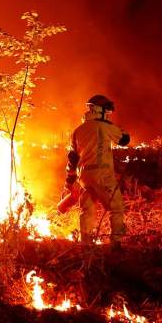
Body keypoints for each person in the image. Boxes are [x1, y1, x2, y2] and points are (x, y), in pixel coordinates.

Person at [64, 94, 130, 244]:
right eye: (106, 112)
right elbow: (124, 140)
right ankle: (116, 243)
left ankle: (86, 245)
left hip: (84, 177)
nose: (108, 115)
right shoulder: (106, 127)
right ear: (99, 110)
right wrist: (120, 129)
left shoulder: (77, 130)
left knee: (86, 211)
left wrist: (69, 180)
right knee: (116, 207)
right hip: (103, 174)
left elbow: (72, 158)